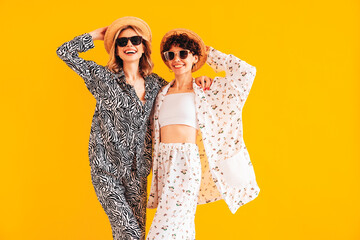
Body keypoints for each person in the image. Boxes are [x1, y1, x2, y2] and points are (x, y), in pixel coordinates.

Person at [56, 17, 211, 240]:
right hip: (107, 171)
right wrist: (98, 35)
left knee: (133, 236)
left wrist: (201, 79)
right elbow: (65, 52)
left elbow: (182, 90)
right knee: (129, 232)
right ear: (116, 50)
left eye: (135, 40)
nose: (129, 45)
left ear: (143, 47)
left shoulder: (157, 85)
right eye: (122, 41)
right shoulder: (103, 79)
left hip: (138, 173)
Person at [147, 29, 260, 239]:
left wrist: (209, 53)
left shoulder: (206, 90)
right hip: (163, 162)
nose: (176, 59)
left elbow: (246, 73)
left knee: (163, 229)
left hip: (186, 162)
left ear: (194, 58)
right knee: (181, 227)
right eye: (170, 55)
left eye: (183, 54)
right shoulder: (161, 92)